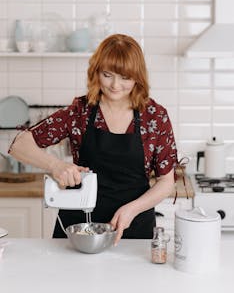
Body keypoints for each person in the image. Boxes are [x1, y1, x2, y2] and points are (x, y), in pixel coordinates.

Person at [9, 34, 177, 245]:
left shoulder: (154, 116)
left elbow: (166, 182)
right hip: (79, 227)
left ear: (137, 77)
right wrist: (56, 165)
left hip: (133, 228)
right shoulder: (80, 112)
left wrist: (131, 210)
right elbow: (18, 144)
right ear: (96, 72)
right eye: (108, 75)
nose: (115, 85)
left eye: (125, 77)